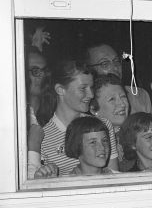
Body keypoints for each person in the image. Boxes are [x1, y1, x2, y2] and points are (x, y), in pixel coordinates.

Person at [38, 58, 118, 176]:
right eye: (82, 88)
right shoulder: (44, 137)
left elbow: (114, 175)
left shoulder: (102, 125)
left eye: (91, 88)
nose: (90, 95)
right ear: (60, 90)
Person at [84, 43, 152, 114]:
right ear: (89, 69)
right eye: (105, 64)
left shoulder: (139, 95)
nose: (115, 67)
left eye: (116, 61)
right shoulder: (86, 101)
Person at [25, 46, 57, 179]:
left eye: (44, 70)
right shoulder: (12, 115)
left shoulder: (54, 111)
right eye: (35, 71)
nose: (42, 75)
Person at [90, 73, 131, 171]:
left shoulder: (137, 131)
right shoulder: (92, 143)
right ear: (94, 109)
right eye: (112, 99)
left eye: (123, 97)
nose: (122, 104)